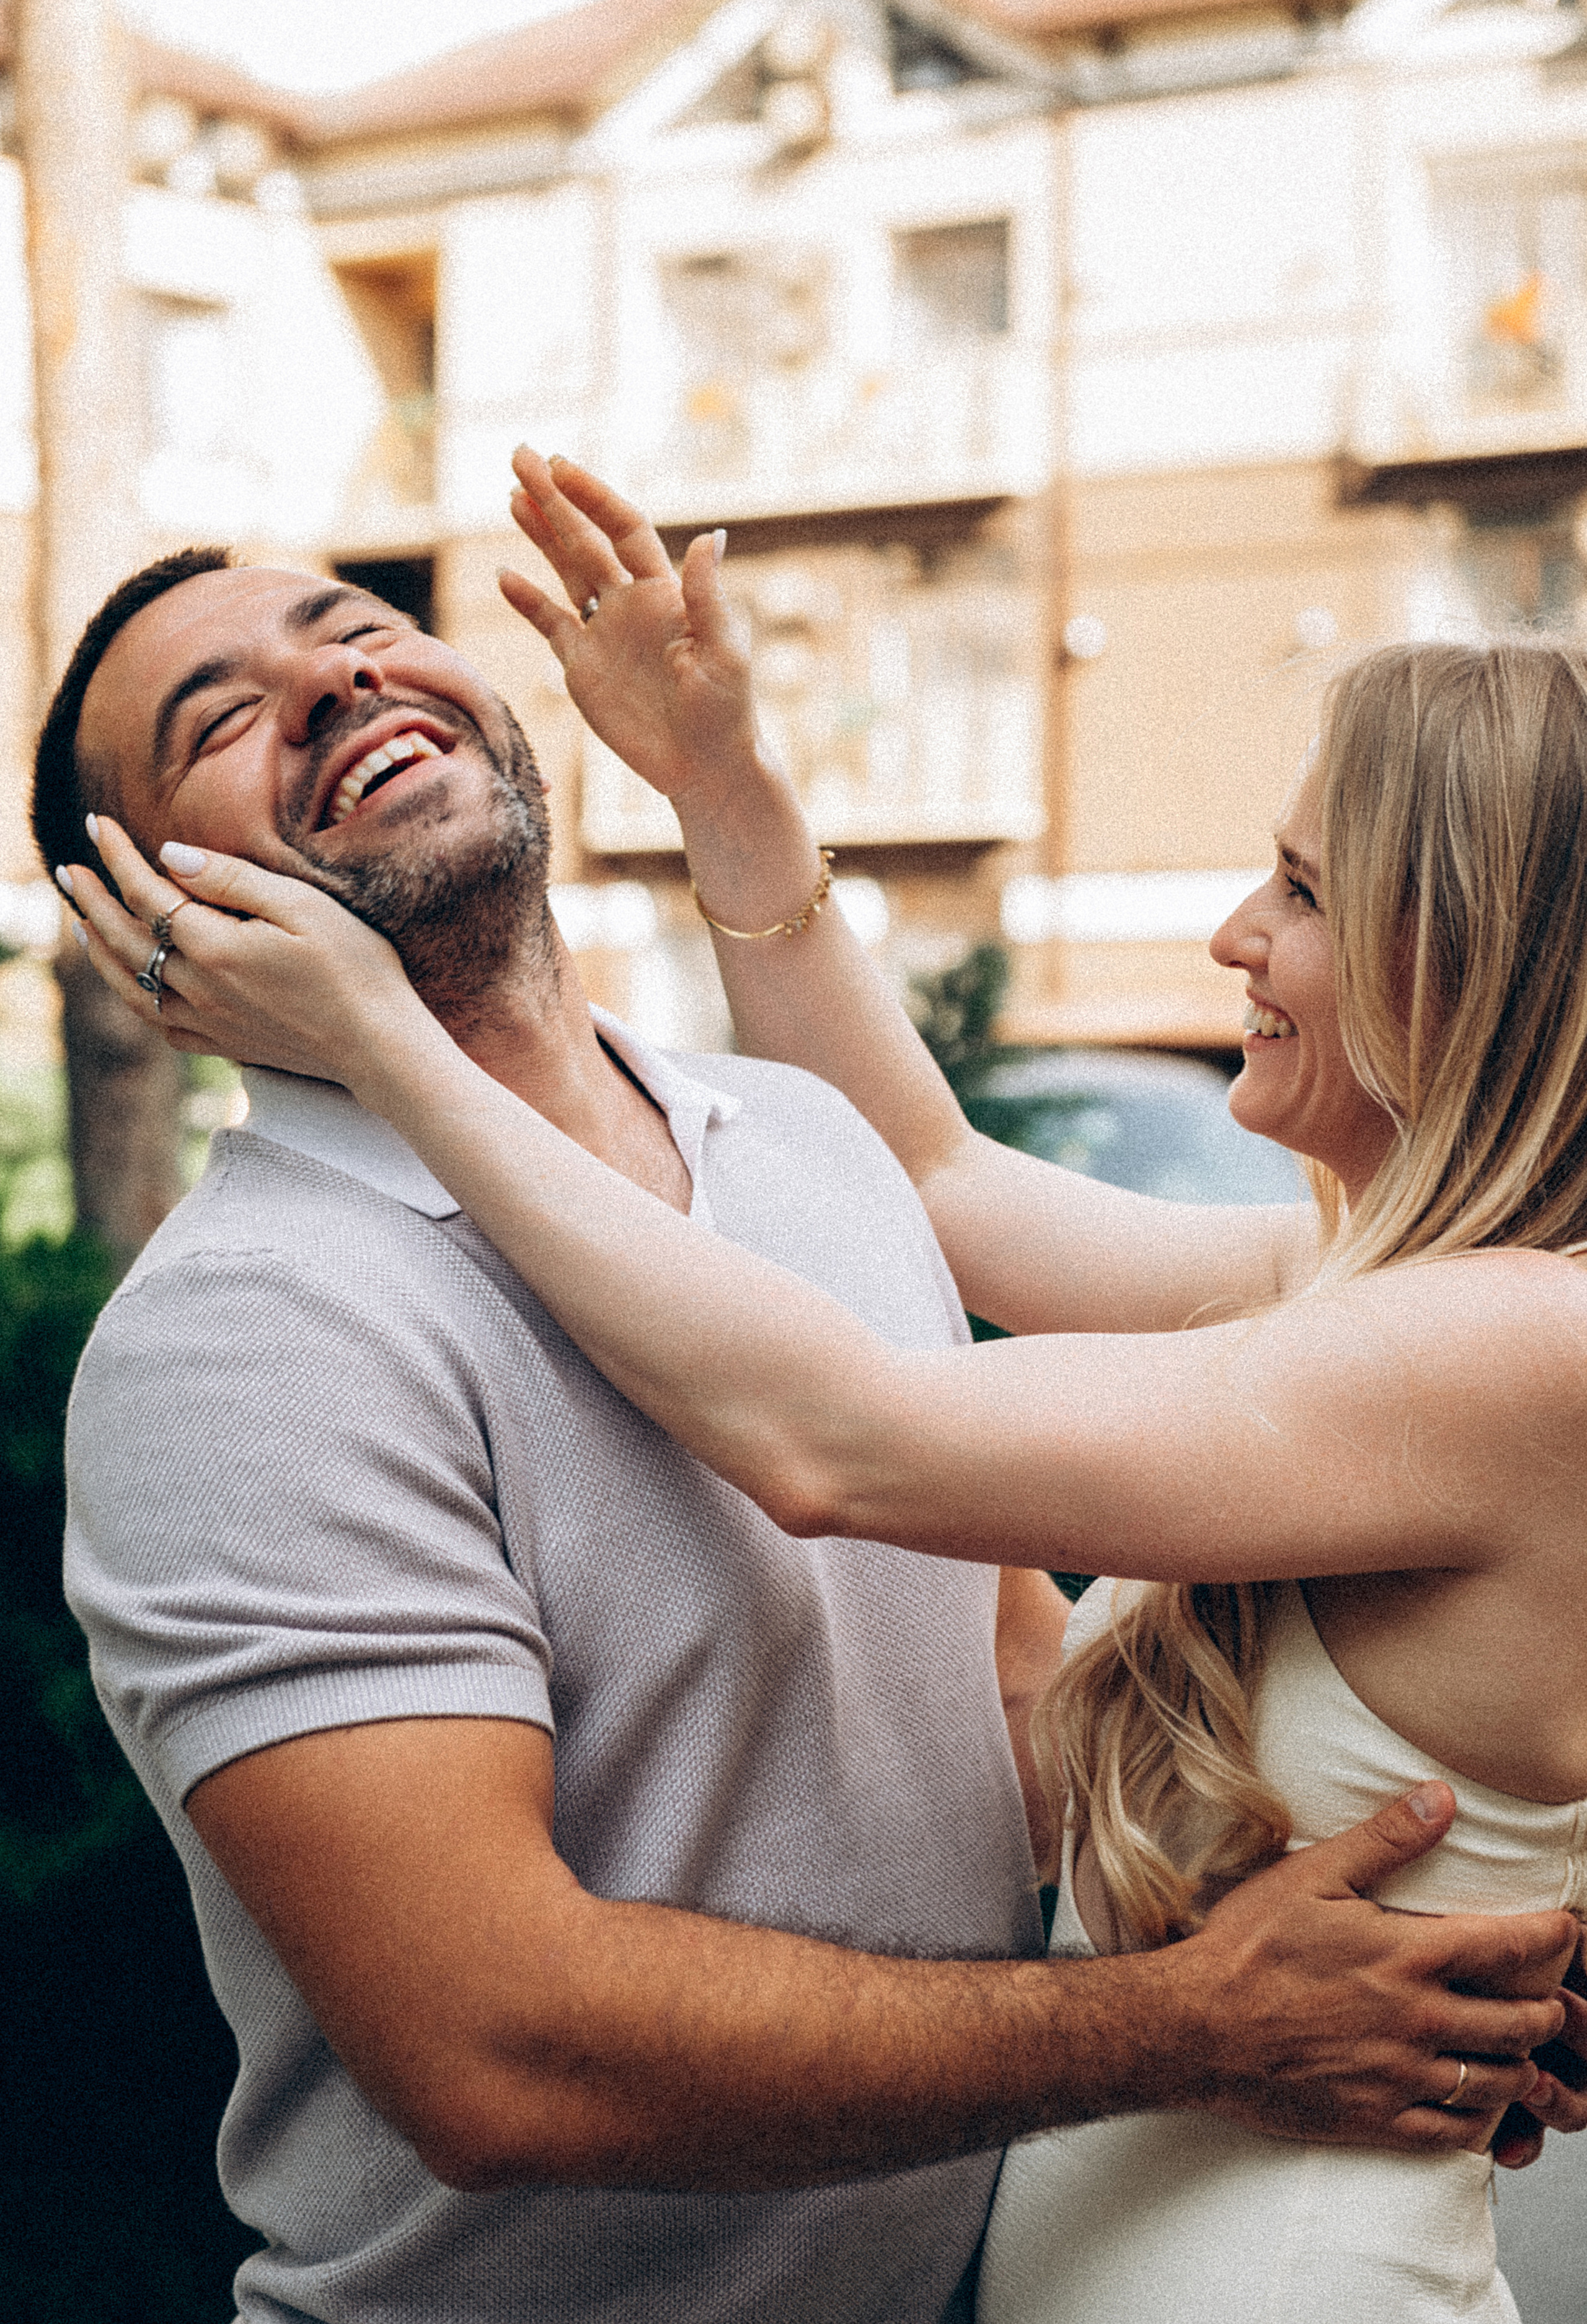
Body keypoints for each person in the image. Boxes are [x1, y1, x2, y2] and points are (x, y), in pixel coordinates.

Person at [44, 459, 1582, 2324]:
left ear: (1479, 956)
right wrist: (719, 777)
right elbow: (498, 2049)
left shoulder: (1469, 1328)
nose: (333, 685)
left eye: (361, 628)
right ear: (142, 917)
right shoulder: (248, 1334)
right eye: (220, 718)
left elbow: (862, 1469)